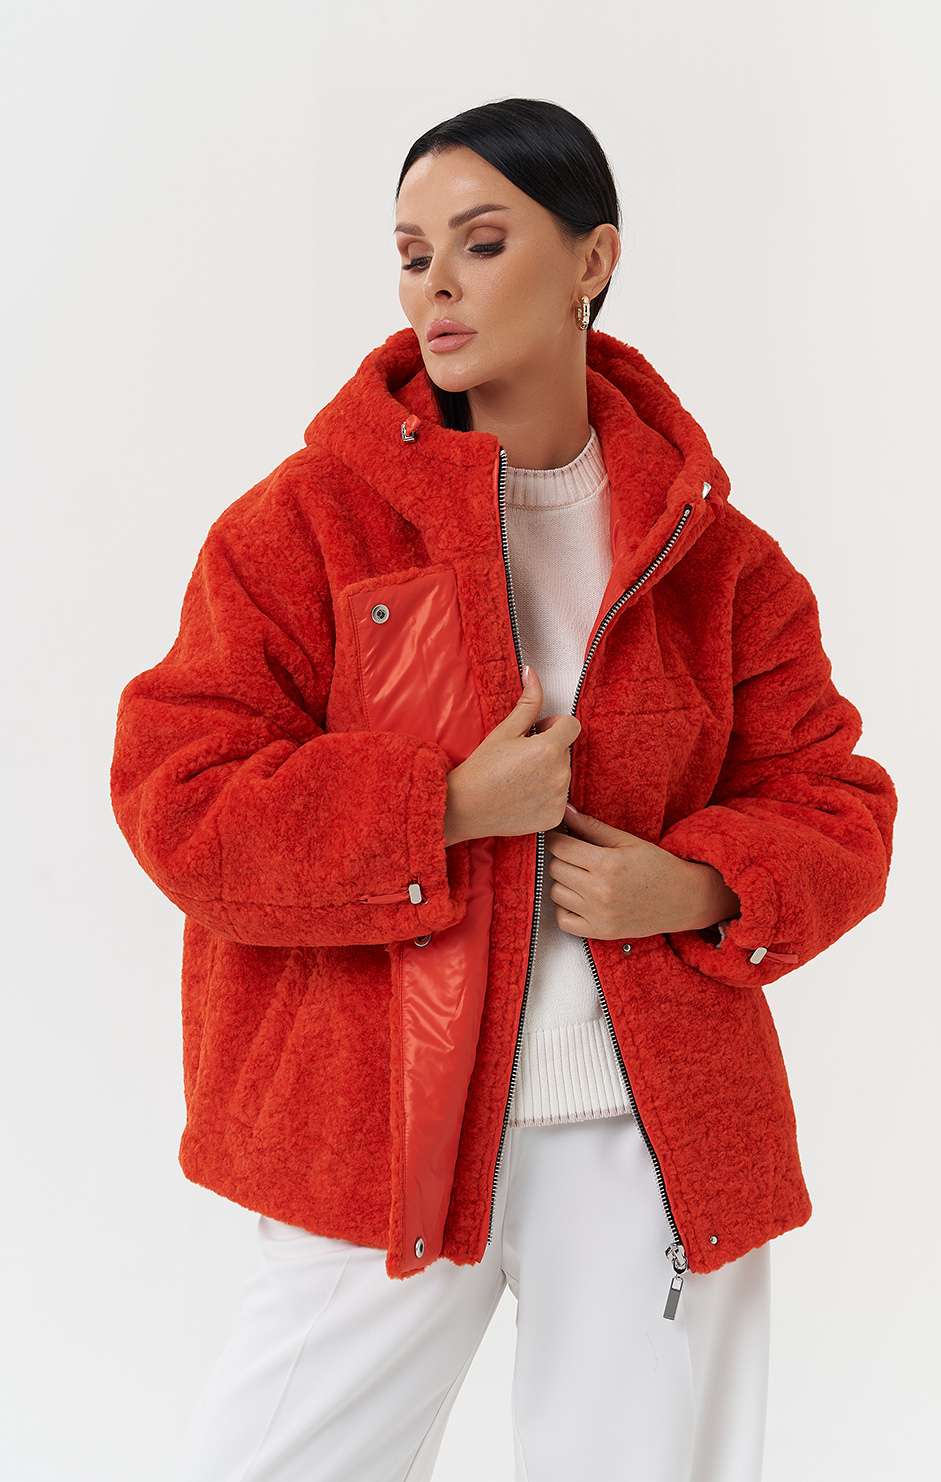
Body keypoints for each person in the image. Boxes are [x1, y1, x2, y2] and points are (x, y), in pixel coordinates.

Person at [111, 99, 896, 1482]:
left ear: (594, 259)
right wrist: (443, 806)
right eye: (413, 255)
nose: (438, 287)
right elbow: (180, 796)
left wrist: (697, 884)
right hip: (377, 1120)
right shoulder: (306, 526)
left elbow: (837, 800)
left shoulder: (717, 557)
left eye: (481, 244)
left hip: (648, 1126)